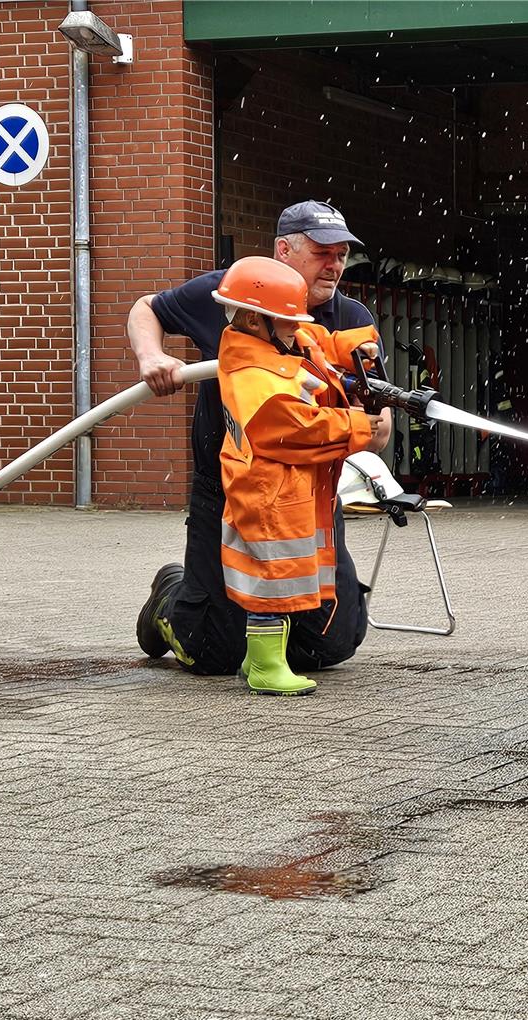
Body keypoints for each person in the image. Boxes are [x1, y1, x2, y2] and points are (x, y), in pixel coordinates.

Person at [128, 201, 390, 677]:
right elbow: (148, 309)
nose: (334, 265)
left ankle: (272, 637)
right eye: (321, 252)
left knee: (332, 644)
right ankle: (171, 598)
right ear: (283, 250)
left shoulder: (347, 318)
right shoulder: (230, 296)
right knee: (211, 652)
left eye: (342, 255)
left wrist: (378, 419)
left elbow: (374, 403)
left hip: (307, 497)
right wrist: (152, 356)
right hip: (230, 489)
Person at [208, 257, 377, 695]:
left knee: (280, 575)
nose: (294, 328)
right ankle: (266, 666)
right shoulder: (253, 376)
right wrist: (358, 427)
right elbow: (295, 428)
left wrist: (354, 344)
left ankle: (258, 658)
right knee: (273, 580)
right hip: (269, 494)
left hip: (282, 488)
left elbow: (314, 340)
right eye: (285, 321)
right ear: (252, 319)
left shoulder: (270, 344)